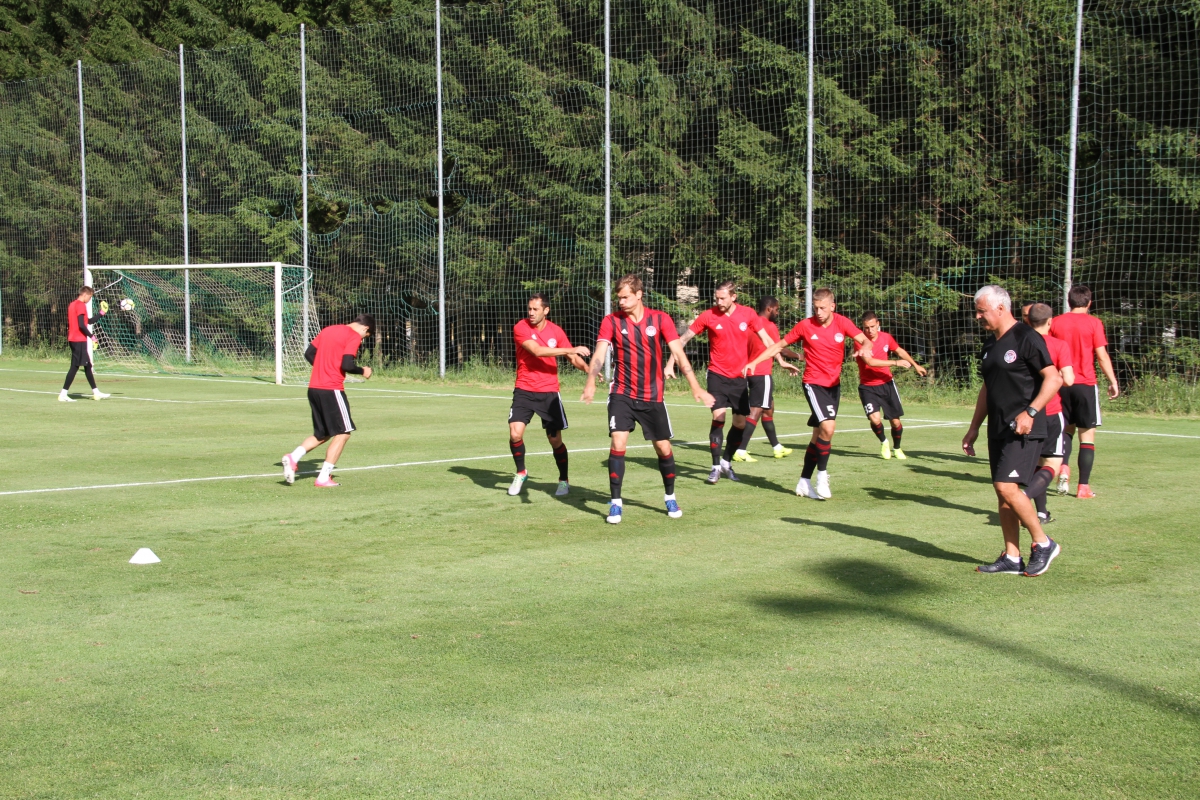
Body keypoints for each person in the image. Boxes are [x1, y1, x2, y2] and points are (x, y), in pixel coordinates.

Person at [581, 274, 715, 524]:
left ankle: (670, 496)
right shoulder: (611, 321)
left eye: (625, 297)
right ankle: (616, 503)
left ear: (639, 295)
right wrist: (590, 380)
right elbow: (599, 354)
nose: (621, 302)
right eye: (619, 297)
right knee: (618, 442)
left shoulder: (660, 319)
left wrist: (695, 386)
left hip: (652, 396)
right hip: (621, 393)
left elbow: (679, 353)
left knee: (663, 448)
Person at [962, 286, 1063, 577]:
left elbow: (1053, 379)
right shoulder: (989, 345)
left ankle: (1044, 543)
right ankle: (1012, 556)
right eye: (977, 311)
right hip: (998, 427)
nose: (978, 316)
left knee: (1007, 487)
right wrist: (974, 428)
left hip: (1023, 429)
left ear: (1001, 308)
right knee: (1002, 493)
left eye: (982, 311)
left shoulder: (1026, 337)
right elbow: (987, 388)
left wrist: (1030, 412)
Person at [743, 287, 871, 500]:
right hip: (813, 384)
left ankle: (804, 481)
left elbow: (865, 339)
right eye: (815, 308)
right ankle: (822, 476)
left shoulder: (842, 323)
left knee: (818, 435)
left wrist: (866, 346)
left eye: (823, 308)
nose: (818, 312)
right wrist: (754, 362)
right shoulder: (805, 325)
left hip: (834, 386)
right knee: (828, 428)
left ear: (832, 306)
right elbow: (778, 346)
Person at [664, 281, 777, 484]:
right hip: (716, 375)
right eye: (716, 298)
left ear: (733, 297)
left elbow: (767, 340)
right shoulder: (708, 316)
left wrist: (781, 360)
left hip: (739, 378)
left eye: (723, 298)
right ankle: (715, 467)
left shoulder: (748, 314)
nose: (719, 301)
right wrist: (670, 363)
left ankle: (726, 462)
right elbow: (682, 340)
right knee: (719, 417)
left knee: (740, 423)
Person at [507, 293, 592, 497]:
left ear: (546, 310)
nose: (531, 313)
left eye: (535, 309)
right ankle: (521, 472)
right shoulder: (521, 327)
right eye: (529, 309)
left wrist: (589, 370)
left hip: (549, 393)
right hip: (524, 389)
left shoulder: (556, 331)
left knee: (555, 441)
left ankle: (563, 480)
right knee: (515, 433)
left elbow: (573, 358)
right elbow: (537, 351)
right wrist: (571, 349)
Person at [281, 314, 375, 488]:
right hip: (331, 388)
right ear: (365, 328)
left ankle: (293, 457)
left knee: (323, 434)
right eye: (366, 336)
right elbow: (347, 365)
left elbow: (309, 353)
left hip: (314, 388)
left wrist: (324, 367)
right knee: (344, 433)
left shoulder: (328, 330)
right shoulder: (353, 336)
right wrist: (363, 371)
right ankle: (324, 477)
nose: (362, 339)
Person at [1049, 284, 1120, 498]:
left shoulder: (1056, 322)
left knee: (1066, 431)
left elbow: (1048, 350)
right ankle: (1083, 487)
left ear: (1069, 301)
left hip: (1061, 384)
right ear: (1089, 303)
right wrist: (1113, 381)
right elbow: (1102, 356)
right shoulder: (1094, 323)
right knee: (1087, 437)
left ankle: (1063, 467)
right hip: (1086, 384)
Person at [1021, 302, 1075, 524]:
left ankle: (1042, 512)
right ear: (1050, 321)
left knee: (1036, 464)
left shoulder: (1020, 343)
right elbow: (1069, 380)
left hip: (1025, 413)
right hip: (1051, 411)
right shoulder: (1059, 345)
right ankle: (1023, 499)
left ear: (1027, 320)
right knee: (1052, 464)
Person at [735, 296, 801, 460]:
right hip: (761, 372)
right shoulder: (769, 326)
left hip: (749, 371)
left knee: (768, 408)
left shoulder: (750, 324)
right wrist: (799, 356)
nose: (777, 313)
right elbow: (780, 348)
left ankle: (777, 447)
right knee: (756, 410)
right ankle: (740, 450)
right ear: (769, 308)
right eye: (777, 309)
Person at [855, 311, 927, 459]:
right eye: (866, 327)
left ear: (878, 324)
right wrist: (895, 362)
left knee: (895, 421)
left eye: (872, 326)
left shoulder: (886, 337)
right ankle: (884, 442)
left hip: (887, 384)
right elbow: (870, 362)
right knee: (875, 419)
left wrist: (915, 365)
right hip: (868, 386)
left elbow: (899, 350)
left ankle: (897, 448)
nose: (869, 330)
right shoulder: (860, 342)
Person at [59, 285, 110, 402]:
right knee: (75, 367)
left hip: (73, 339)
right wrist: (92, 336)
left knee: (87, 366)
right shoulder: (81, 305)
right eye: (90, 297)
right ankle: (63, 394)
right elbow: (82, 325)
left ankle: (96, 392)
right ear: (85, 294)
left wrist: (101, 313)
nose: (89, 299)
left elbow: (88, 321)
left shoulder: (72, 304)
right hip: (78, 340)